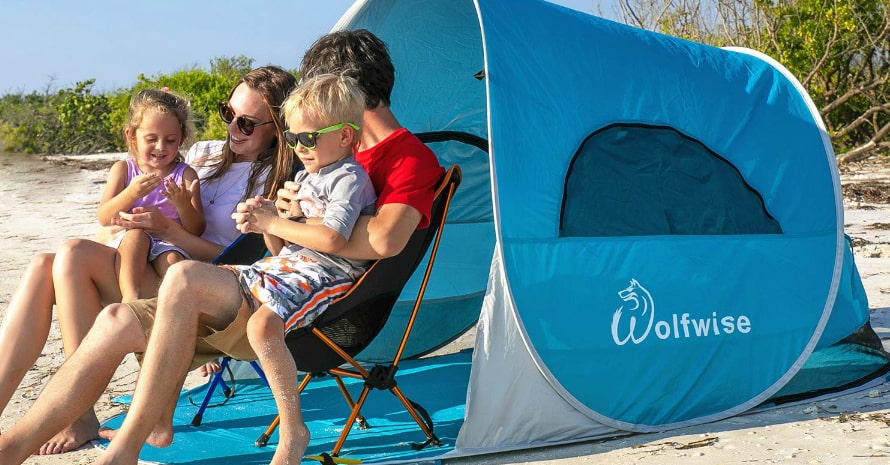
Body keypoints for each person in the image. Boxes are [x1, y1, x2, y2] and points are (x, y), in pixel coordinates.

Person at [0, 29, 443, 465]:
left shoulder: (403, 158)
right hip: (266, 277)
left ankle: (125, 449)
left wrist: (294, 219)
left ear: (343, 96)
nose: (302, 136)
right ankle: (16, 447)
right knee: (118, 317)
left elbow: (385, 239)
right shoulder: (324, 156)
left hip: (309, 308)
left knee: (183, 275)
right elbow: (291, 234)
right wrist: (283, 217)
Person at [0, 65, 297, 457]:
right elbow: (154, 151)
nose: (232, 129)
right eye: (228, 114)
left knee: (70, 258)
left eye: (246, 123)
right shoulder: (206, 153)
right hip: (152, 261)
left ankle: (77, 413)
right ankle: (60, 408)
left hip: (201, 280)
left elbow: (249, 259)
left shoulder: (270, 181)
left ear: (276, 127)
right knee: (48, 261)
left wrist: (170, 232)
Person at [225, 73, 377, 464]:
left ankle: (294, 429)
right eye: (293, 138)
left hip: (330, 273)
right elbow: (282, 246)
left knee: (261, 326)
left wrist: (272, 224)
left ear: (345, 136)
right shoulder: (305, 175)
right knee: (210, 281)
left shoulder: (348, 177)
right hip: (293, 266)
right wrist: (268, 218)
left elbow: (332, 239)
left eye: (307, 138)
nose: (299, 147)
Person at [100, 89, 205, 302]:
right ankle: (131, 299)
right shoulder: (123, 170)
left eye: (170, 140)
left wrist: (184, 205)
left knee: (174, 261)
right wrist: (131, 193)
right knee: (137, 237)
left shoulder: (184, 174)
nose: (160, 147)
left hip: (167, 241)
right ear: (132, 137)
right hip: (129, 239)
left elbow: (197, 230)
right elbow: (103, 216)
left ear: (182, 139)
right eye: (151, 139)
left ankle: (179, 306)